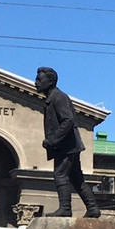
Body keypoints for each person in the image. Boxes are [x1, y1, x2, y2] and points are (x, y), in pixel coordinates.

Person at [36, 67, 100, 218]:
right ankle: (93, 208)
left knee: (60, 175)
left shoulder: (58, 97)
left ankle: (65, 208)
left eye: (40, 80)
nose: (36, 83)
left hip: (67, 146)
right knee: (76, 179)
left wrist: (52, 140)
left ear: (50, 81)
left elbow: (68, 120)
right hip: (66, 146)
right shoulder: (52, 98)